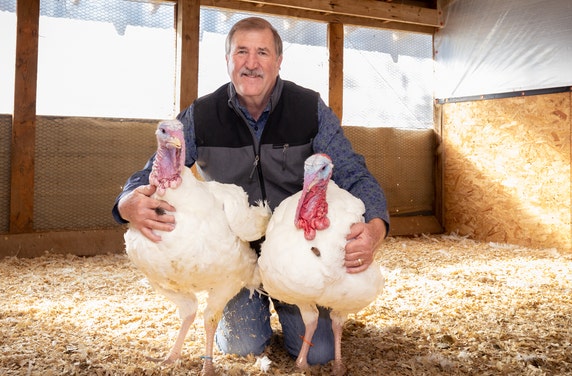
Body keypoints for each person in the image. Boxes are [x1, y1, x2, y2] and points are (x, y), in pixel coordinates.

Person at [113, 16, 389, 365]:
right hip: (233, 253)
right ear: (228, 59)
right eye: (241, 51)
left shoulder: (309, 109)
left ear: (278, 61)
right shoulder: (202, 114)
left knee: (317, 354)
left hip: (294, 252)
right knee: (241, 346)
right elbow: (155, 167)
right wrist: (127, 202)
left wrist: (377, 226)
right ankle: (252, 309)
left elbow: (353, 172)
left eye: (262, 52)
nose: (251, 62)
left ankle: (297, 311)